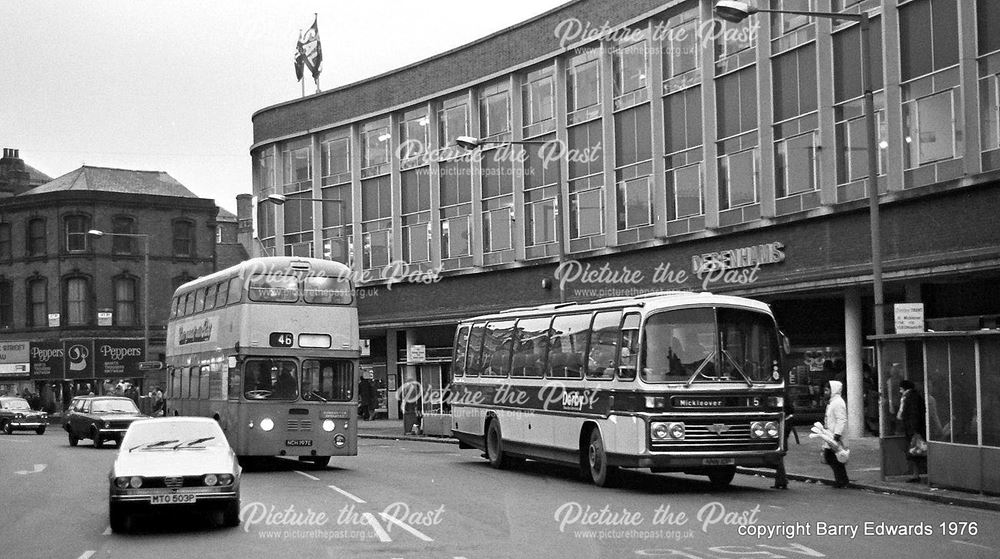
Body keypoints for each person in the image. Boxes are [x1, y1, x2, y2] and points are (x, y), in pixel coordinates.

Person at [898, 379, 927, 482]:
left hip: (913, 430)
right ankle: (916, 474)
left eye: (901, 389)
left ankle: (916, 474)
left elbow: (912, 414)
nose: (900, 391)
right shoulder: (916, 396)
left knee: (916, 452)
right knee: (917, 452)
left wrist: (914, 430)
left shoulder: (909, 398)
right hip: (916, 429)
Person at [823, 380, 849, 488]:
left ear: (833, 390)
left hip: (835, 435)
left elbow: (841, 419)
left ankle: (841, 480)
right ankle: (841, 480)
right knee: (832, 457)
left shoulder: (838, 402)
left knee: (833, 457)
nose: (825, 392)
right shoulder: (833, 402)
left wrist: (837, 434)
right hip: (831, 434)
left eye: (827, 390)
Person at [773, 390, 796, 490]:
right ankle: (780, 480)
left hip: (783, 424)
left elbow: (790, 409)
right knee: (780, 454)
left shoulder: (780, 395)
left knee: (779, 453)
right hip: (784, 424)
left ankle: (781, 480)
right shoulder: (783, 394)